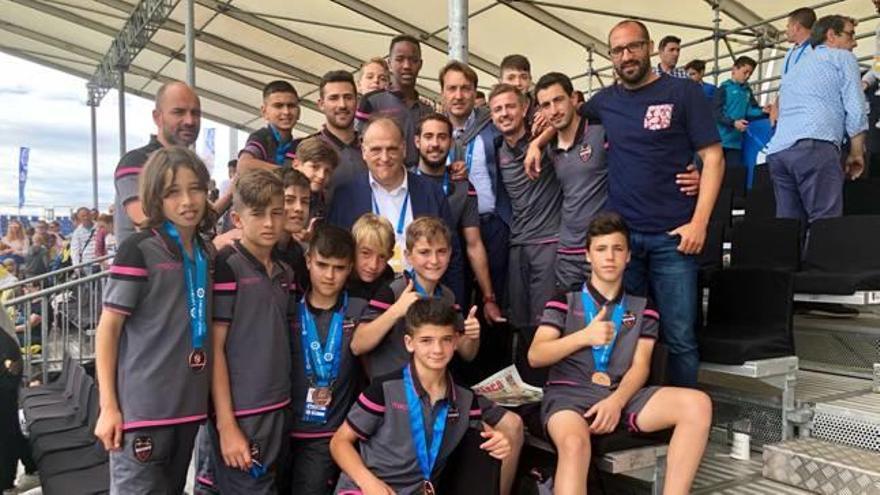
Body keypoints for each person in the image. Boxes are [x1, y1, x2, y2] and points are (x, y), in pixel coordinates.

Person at [529, 20, 723, 388]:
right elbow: (568, 112)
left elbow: (713, 158)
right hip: (625, 243)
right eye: (618, 50)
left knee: (679, 336)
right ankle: (629, 407)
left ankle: (681, 413)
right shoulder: (606, 101)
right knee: (625, 334)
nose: (626, 56)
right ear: (610, 57)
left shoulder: (683, 93)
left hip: (675, 237)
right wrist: (539, 142)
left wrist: (699, 223)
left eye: (633, 47)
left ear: (649, 47)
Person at [528, 212, 712, 495]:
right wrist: (583, 337)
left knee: (697, 404)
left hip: (621, 394)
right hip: (568, 396)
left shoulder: (643, 306)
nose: (609, 257)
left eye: (618, 249)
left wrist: (616, 402)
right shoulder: (564, 300)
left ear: (628, 256)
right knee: (574, 444)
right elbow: (536, 355)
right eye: (601, 249)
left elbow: (640, 367)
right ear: (588, 256)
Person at [95, 146, 217, 492]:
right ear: (154, 198)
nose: (187, 200)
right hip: (141, 413)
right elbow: (108, 329)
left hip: (187, 408)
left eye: (194, 188)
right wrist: (108, 407)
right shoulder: (138, 248)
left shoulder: (206, 253)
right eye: (172, 192)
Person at [330, 298, 512, 495]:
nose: (437, 349)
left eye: (446, 340)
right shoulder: (384, 389)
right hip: (365, 488)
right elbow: (339, 442)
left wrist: (499, 441)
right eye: (426, 340)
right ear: (409, 343)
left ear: (456, 341)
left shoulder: (465, 400)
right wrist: (368, 482)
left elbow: (484, 436)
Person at [208, 169, 293, 494]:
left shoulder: (284, 271)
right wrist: (226, 424)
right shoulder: (227, 267)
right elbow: (215, 349)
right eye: (258, 214)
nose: (269, 223)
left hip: (280, 405)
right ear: (237, 219)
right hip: (243, 413)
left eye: (276, 213)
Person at [326, 116, 463, 300]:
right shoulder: (345, 196)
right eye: (376, 150)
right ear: (363, 151)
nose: (384, 157)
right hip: (365, 303)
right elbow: (336, 256)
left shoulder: (431, 192)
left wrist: (453, 308)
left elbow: (452, 253)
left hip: (422, 302)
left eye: (392, 149)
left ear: (404, 149)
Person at [766, 14, 866, 225]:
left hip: (779, 152)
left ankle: (791, 259)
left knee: (789, 228)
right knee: (825, 224)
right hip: (814, 144)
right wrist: (857, 153)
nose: (855, 42)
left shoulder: (797, 66)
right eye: (850, 35)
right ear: (831, 35)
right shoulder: (843, 57)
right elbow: (856, 107)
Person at [351, 217, 479, 381]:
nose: (434, 260)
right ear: (408, 256)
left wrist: (472, 336)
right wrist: (396, 311)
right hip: (390, 390)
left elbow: (467, 353)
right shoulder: (393, 290)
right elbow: (357, 345)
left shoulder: (447, 296)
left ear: (450, 254)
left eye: (441, 251)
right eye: (424, 252)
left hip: (429, 389)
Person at [288, 225, 364, 493]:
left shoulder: (359, 312)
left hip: (327, 436)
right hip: (281, 429)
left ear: (351, 268)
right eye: (322, 264)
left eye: (339, 267)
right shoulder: (288, 308)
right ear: (308, 260)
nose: (330, 275)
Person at [489, 84, 562, 352]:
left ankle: (546, 386)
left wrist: (537, 142)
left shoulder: (544, 138)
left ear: (524, 109)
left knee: (545, 321)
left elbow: (572, 116)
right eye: (497, 109)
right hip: (517, 243)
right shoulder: (496, 149)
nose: (504, 113)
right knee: (518, 321)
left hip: (549, 242)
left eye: (510, 106)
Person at [414, 113, 504, 323]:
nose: (435, 144)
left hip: (451, 279)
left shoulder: (463, 188)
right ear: (417, 141)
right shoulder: (404, 181)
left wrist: (488, 297)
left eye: (442, 137)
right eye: (428, 137)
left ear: (451, 142)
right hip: (412, 278)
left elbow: (474, 244)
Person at [440, 60, 512, 312]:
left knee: (494, 298)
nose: (458, 96)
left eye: (465, 88)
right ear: (442, 93)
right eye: (452, 89)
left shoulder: (492, 127)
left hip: (490, 225)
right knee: (455, 299)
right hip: (449, 228)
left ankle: (494, 350)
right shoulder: (433, 133)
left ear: (474, 93)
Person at [534, 73, 609, 291]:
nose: (554, 110)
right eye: (546, 105)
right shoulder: (548, 149)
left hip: (602, 248)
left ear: (574, 98)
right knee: (572, 320)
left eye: (558, 100)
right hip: (567, 251)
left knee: (608, 320)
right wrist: (536, 145)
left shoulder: (601, 133)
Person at [113, 81, 202, 245]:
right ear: (157, 117)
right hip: (147, 268)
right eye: (179, 112)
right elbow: (146, 222)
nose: (190, 121)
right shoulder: (136, 162)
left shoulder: (191, 166)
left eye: (195, 113)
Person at [356, 35, 434, 168]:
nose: (407, 66)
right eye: (400, 59)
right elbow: (357, 146)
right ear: (390, 63)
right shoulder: (371, 102)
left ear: (420, 65)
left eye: (413, 60)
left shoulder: (427, 111)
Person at [309, 70, 366, 199]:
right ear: (321, 104)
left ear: (357, 101)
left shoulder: (373, 148)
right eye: (334, 98)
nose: (342, 105)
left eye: (348, 97)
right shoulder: (308, 149)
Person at [714, 56, 767, 169]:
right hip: (720, 141)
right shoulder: (723, 89)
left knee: (735, 176)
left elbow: (751, 110)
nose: (747, 76)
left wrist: (764, 111)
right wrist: (733, 123)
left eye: (750, 73)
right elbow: (716, 113)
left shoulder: (747, 91)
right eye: (745, 72)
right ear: (734, 69)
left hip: (736, 142)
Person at [238, 80, 301, 172]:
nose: (286, 112)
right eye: (278, 106)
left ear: (299, 112)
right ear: (264, 112)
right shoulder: (262, 137)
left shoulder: (298, 145)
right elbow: (244, 164)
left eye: (291, 106)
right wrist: (289, 174)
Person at [347, 213, 396, 300]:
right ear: (352, 249)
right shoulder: (338, 280)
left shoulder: (392, 284)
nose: (373, 265)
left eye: (382, 257)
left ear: (390, 256)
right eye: (366, 253)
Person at [292, 136, 339, 222]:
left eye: (327, 171)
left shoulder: (323, 203)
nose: (321, 175)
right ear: (296, 164)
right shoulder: (277, 194)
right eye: (315, 167)